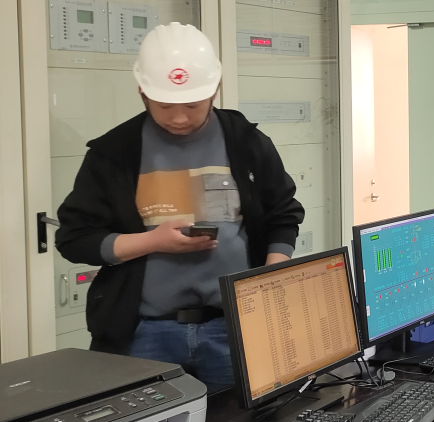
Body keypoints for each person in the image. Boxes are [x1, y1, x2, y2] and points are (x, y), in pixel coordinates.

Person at [56, 23, 303, 389]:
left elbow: (283, 213)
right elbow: (74, 238)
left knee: (242, 421)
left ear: (214, 90)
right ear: (142, 92)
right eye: (164, 106)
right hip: (144, 332)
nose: (179, 118)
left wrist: (269, 277)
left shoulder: (246, 142)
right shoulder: (113, 153)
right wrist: (153, 242)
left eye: (192, 105)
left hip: (234, 325)